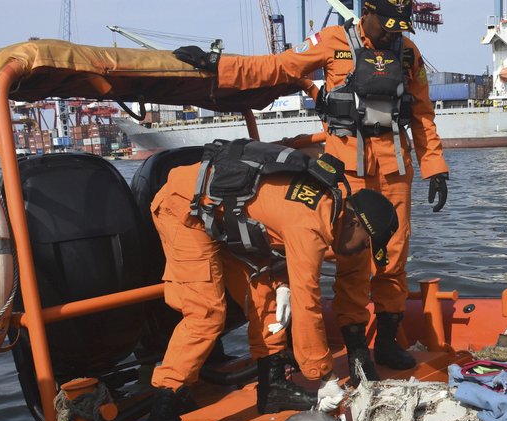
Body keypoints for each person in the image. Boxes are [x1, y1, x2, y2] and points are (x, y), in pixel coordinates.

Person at [173, 0, 450, 383]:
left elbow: (421, 114)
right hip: (345, 169)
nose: (392, 34)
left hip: (394, 169)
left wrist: (435, 167)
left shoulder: (407, 53)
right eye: (386, 26)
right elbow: (279, 66)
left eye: (398, 28)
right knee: (353, 260)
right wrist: (219, 65)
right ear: (364, 13)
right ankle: (356, 352)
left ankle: (386, 341)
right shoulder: (332, 41)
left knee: (393, 257)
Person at [143, 154, 398, 421]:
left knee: (265, 290)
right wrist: (325, 376)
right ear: (355, 222)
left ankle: (272, 387)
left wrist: (285, 281)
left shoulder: (334, 210)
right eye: (364, 243)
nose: (360, 251)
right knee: (206, 313)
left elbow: (275, 227)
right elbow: (308, 305)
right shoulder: (311, 223)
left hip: (221, 215)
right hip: (184, 209)